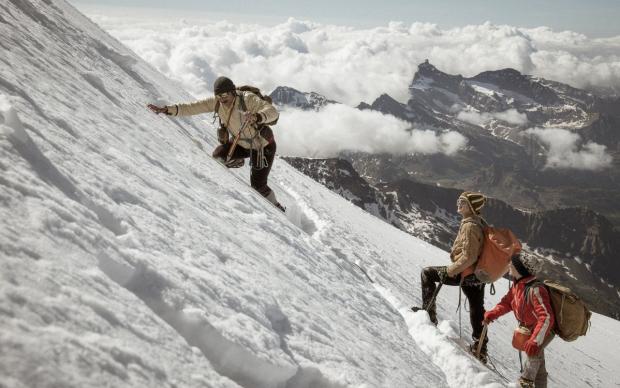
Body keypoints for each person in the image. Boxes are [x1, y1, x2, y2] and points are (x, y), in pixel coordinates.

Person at [148, 76, 285, 211]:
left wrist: (257, 116)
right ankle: (237, 161)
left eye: (225, 94)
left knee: (258, 186)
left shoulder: (247, 98)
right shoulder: (217, 103)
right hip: (240, 144)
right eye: (218, 96)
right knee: (218, 156)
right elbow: (193, 107)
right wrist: (167, 110)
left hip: (262, 146)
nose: (222, 98)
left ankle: (278, 209)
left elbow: (273, 112)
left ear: (232, 92)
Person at [412, 191, 489, 362]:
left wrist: (450, 270)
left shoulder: (470, 226)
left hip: (466, 273)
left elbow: (469, 256)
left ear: (471, 207)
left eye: (462, 202)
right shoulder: (478, 223)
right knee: (477, 309)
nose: (458, 203)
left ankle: (429, 316)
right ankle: (480, 347)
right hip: (478, 275)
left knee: (428, 273)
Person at [483, 254, 554, 388]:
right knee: (539, 364)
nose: (509, 265)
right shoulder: (517, 286)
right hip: (530, 328)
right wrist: (492, 314)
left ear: (521, 269)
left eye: (513, 264)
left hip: (542, 329)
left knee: (533, 356)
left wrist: (535, 340)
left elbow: (546, 317)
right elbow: (507, 303)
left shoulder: (536, 289)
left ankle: (525, 383)